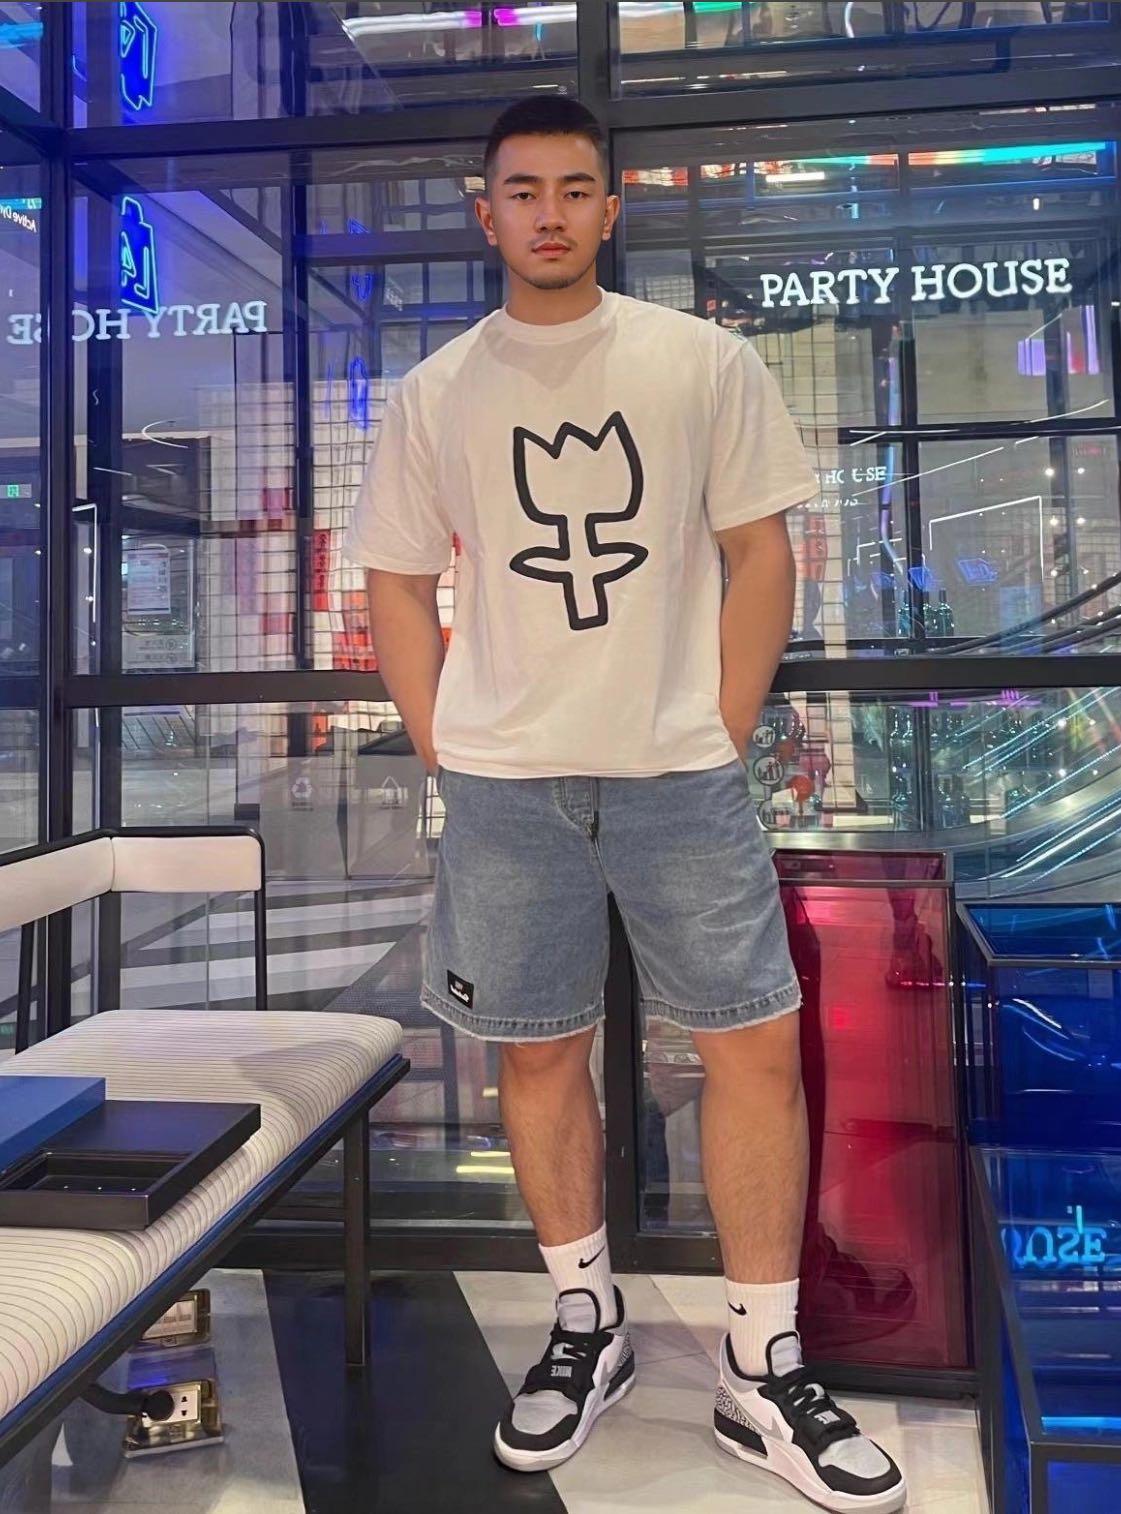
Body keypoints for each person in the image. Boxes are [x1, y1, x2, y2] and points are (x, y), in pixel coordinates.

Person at [344, 95, 906, 1514]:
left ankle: (762, 1364)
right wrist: (445, 744)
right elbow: (397, 581)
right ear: (484, 211)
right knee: (537, 1058)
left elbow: (761, 553)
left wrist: (718, 726)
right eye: (522, 189)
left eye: (574, 188)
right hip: (507, 787)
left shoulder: (700, 362)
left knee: (753, 1047)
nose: (548, 212)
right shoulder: (436, 394)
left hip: (680, 777)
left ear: (611, 206)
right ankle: (584, 1323)